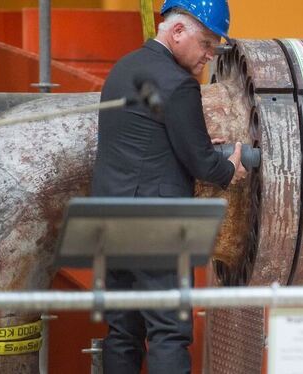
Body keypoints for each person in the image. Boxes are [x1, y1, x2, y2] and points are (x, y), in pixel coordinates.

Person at [90, 0, 245, 372]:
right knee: (168, 332)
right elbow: (201, 160)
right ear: (177, 32)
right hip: (157, 224)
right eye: (207, 44)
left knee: (121, 330)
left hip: (108, 219)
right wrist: (230, 168)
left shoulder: (122, 68)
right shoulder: (178, 84)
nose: (209, 56)